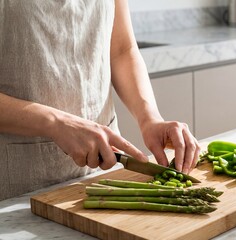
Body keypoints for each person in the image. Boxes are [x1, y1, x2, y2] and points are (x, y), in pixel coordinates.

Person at [0, 0, 200, 201]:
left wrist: (150, 118)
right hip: (17, 183)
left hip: (105, 171)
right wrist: (54, 122)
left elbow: (122, 50)